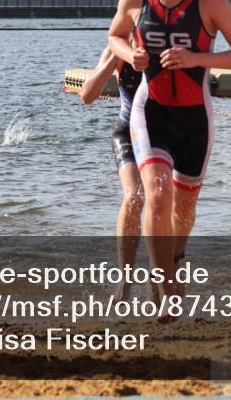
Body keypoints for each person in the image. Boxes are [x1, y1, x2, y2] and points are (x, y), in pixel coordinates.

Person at [108, 0, 231, 300]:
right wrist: (132, 55)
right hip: (151, 109)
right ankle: (163, 285)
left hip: (194, 117)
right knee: (155, 193)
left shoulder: (210, 2)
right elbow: (113, 37)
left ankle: (174, 260)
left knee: (184, 209)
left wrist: (195, 58)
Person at [79, 44, 145, 301]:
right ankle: (125, 283)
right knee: (134, 196)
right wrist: (116, 57)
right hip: (128, 131)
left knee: (163, 202)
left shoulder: (166, 36)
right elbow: (87, 95)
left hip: (164, 133)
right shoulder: (118, 43)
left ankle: (161, 278)